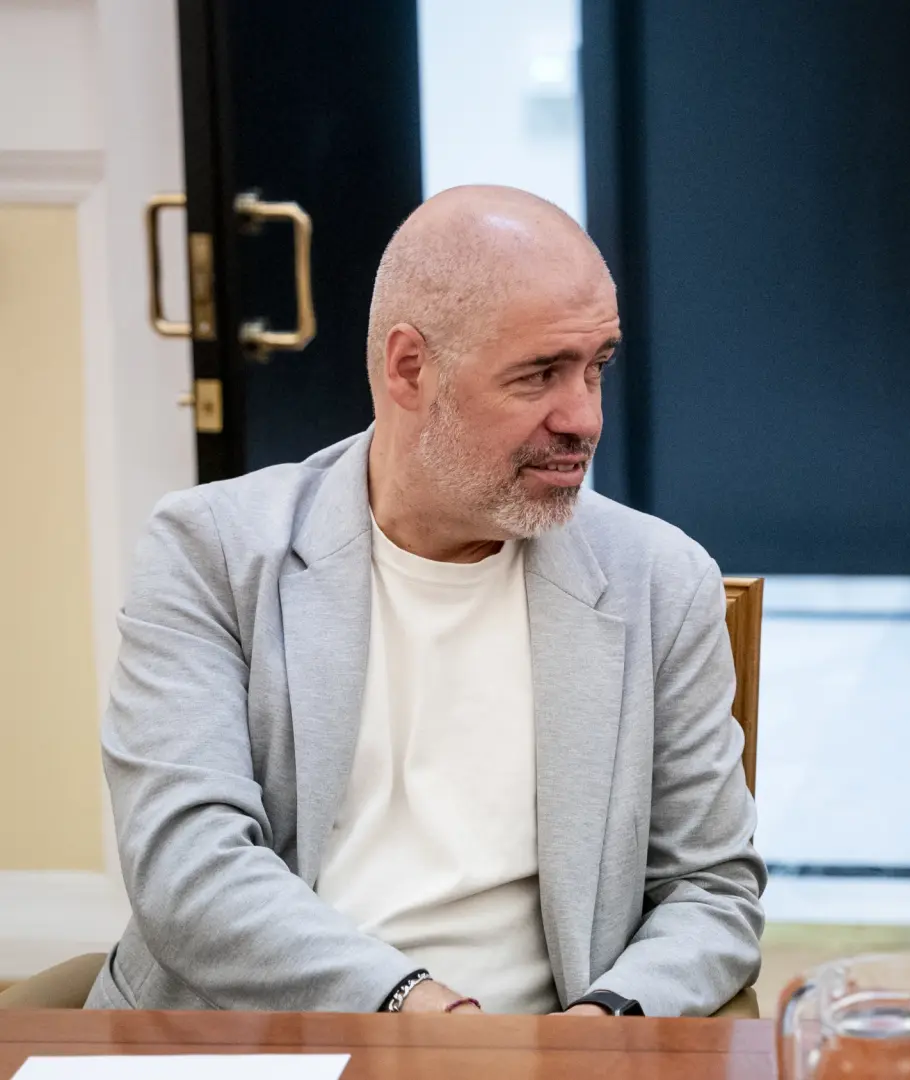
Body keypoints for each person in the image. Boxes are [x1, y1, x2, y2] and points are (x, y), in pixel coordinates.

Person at [86, 185, 764, 1017]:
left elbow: (710, 889)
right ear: (409, 368)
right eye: (540, 374)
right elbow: (187, 869)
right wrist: (418, 1011)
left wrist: (602, 1025)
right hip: (254, 1039)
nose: (584, 417)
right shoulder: (211, 550)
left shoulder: (658, 580)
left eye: (598, 367)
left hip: (543, 1051)